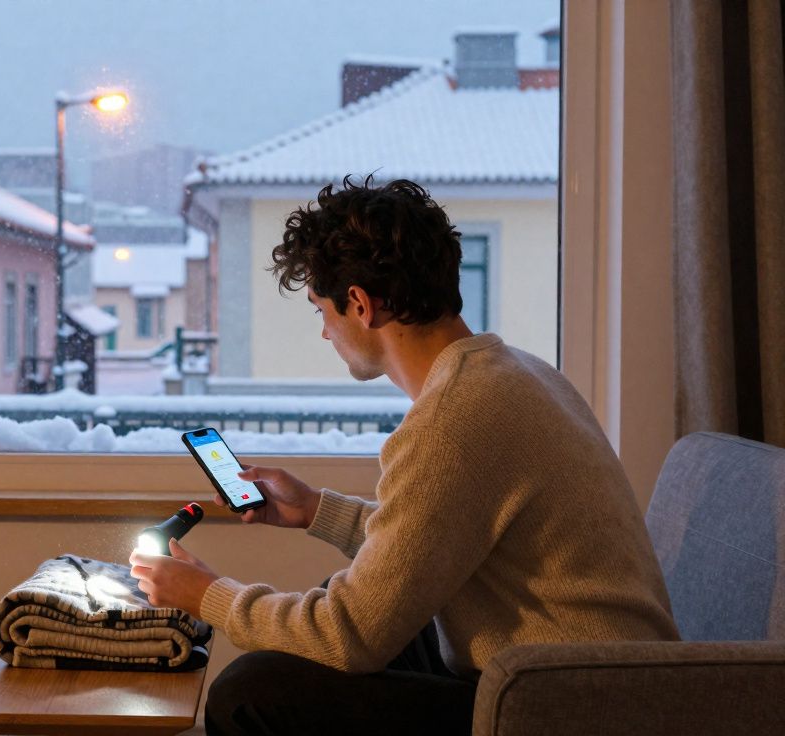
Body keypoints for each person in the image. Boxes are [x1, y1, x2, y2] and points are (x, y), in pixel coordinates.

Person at [128, 176, 680, 735]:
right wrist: (317, 509)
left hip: (572, 705)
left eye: (322, 312)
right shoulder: (519, 373)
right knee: (357, 605)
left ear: (360, 305)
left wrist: (210, 597)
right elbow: (436, 537)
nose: (325, 334)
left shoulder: (453, 421)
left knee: (250, 692)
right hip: (602, 677)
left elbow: (349, 634)